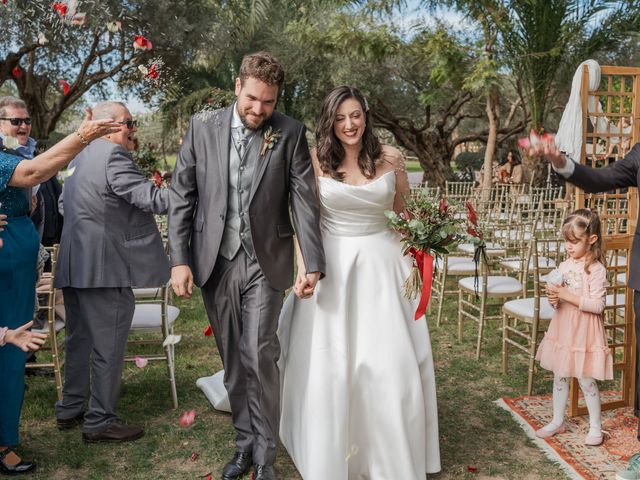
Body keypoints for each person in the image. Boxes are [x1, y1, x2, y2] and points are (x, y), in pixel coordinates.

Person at [169, 52, 325, 480]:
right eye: (253, 99)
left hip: (264, 261)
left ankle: (266, 459)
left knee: (260, 353)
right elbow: (182, 196)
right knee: (234, 361)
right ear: (238, 86)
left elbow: (304, 200)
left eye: (269, 103)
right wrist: (179, 260)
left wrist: (312, 261)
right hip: (214, 262)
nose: (259, 110)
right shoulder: (202, 127)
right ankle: (244, 445)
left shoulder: (290, 132)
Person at [277, 85, 441, 480]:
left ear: (365, 116)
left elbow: (403, 216)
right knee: (333, 361)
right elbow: (306, 222)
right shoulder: (315, 161)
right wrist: (305, 268)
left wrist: (419, 257)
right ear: (329, 122)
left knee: (390, 360)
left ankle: (391, 450)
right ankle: (332, 447)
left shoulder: (392, 159)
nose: (349, 125)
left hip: (385, 265)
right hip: (334, 264)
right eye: (339, 118)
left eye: (355, 115)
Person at [0, 110, 119, 475]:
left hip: (18, 262)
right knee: (6, 349)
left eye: (25, 121)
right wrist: (83, 136)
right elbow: (35, 172)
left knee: (14, 351)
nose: (22, 126)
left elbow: (37, 177)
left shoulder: (13, 154)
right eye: (13, 121)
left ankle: (5, 436)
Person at [54, 101, 169, 444]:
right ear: (106, 126)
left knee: (78, 341)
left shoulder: (76, 158)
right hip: (104, 268)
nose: (133, 128)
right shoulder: (113, 157)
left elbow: (63, 206)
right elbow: (153, 200)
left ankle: (71, 408)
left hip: (74, 265)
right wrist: (192, 192)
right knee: (108, 346)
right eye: (128, 122)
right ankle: (100, 421)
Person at [534, 209, 612, 446]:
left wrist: (568, 295)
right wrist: (554, 298)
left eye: (574, 241)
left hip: (585, 330)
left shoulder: (596, 270)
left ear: (592, 239)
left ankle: (596, 427)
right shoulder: (565, 265)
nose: (569, 246)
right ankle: (558, 420)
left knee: (586, 378)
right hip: (564, 326)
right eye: (566, 241)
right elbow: (558, 299)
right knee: (560, 375)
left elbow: (598, 305)